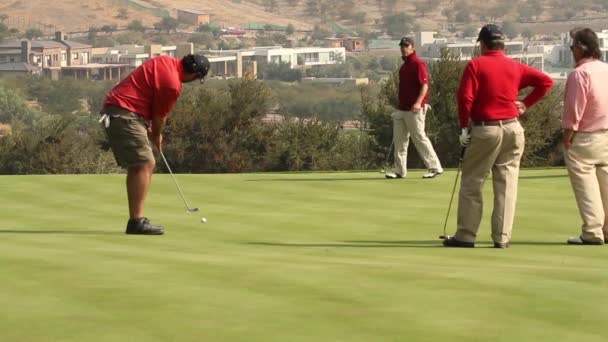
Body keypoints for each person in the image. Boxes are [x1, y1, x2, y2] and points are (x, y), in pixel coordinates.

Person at [443, 24, 553, 248]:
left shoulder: (476, 65)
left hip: (486, 129)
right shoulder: (515, 66)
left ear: (482, 44)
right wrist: (525, 104)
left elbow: (465, 99)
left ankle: (466, 235)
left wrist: (464, 127)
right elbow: (546, 82)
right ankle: (502, 238)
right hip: (513, 129)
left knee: (473, 181)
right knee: (507, 184)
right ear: (502, 44)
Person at [99, 54, 210, 235]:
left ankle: (138, 219)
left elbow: (147, 94)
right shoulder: (173, 84)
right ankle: (136, 222)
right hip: (124, 114)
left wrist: (150, 129)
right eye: (197, 78)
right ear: (194, 75)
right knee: (144, 163)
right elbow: (160, 117)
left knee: (143, 164)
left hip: (121, 111)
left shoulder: (164, 60)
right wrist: (157, 136)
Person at [562, 28, 608, 245]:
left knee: (586, 185)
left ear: (580, 48)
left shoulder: (579, 74)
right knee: (606, 184)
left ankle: (592, 231)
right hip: (606, 135)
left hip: (585, 136)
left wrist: (567, 136)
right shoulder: (606, 70)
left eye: (572, 47)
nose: (572, 51)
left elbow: (574, 110)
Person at [385, 37, 443, 179]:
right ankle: (400, 171)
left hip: (415, 109)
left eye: (406, 46)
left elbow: (424, 85)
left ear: (413, 47)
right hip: (402, 109)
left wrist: (418, 103)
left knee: (419, 137)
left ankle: (435, 167)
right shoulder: (404, 67)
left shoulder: (418, 63)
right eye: (402, 46)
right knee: (400, 141)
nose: (403, 48)